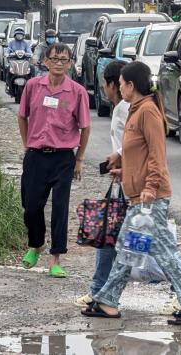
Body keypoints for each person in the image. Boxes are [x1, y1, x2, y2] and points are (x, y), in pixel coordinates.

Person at [82, 61, 181, 325]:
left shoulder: (147, 111)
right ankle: (108, 301)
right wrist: (121, 165)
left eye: (123, 83)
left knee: (162, 252)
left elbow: (156, 155)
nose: (120, 88)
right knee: (129, 250)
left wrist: (150, 186)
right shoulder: (136, 110)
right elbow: (138, 153)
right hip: (139, 195)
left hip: (150, 199)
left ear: (131, 85)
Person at [17, 42, 91, 278]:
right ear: (45, 61)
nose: (59, 63)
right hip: (36, 155)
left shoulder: (77, 92)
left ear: (70, 64)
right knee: (31, 207)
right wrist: (27, 143)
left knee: (60, 208)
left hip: (63, 158)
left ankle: (56, 257)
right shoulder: (32, 86)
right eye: (55, 59)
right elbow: (22, 116)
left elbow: (85, 127)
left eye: (64, 60)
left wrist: (79, 159)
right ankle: (35, 244)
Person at [74, 59, 128, 308]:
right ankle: (99, 290)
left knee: (150, 245)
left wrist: (122, 166)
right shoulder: (125, 108)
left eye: (105, 84)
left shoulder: (125, 109)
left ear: (112, 84)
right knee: (109, 237)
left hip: (133, 186)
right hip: (125, 182)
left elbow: (133, 146)